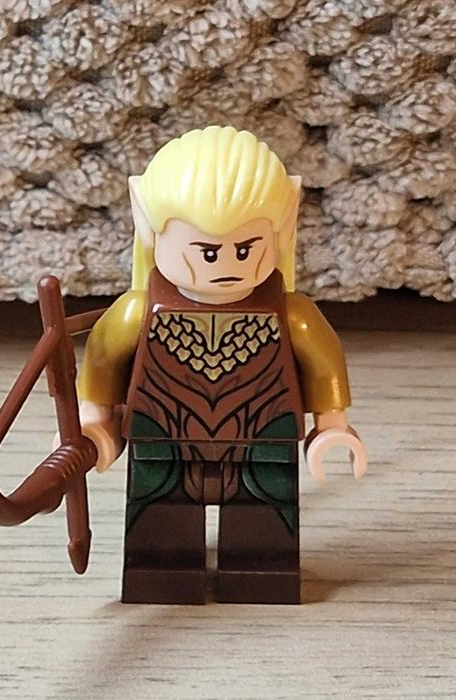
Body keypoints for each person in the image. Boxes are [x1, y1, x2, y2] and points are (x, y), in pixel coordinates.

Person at [77, 125, 367, 604]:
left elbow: (323, 364)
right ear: (149, 225)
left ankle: (262, 571)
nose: (227, 264)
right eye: (207, 252)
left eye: (245, 249)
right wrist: (95, 426)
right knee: (160, 529)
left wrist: (332, 429)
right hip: (162, 439)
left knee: (263, 530)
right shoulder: (135, 312)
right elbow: (103, 363)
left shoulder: (293, 315)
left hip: (263, 439)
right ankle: (160, 572)